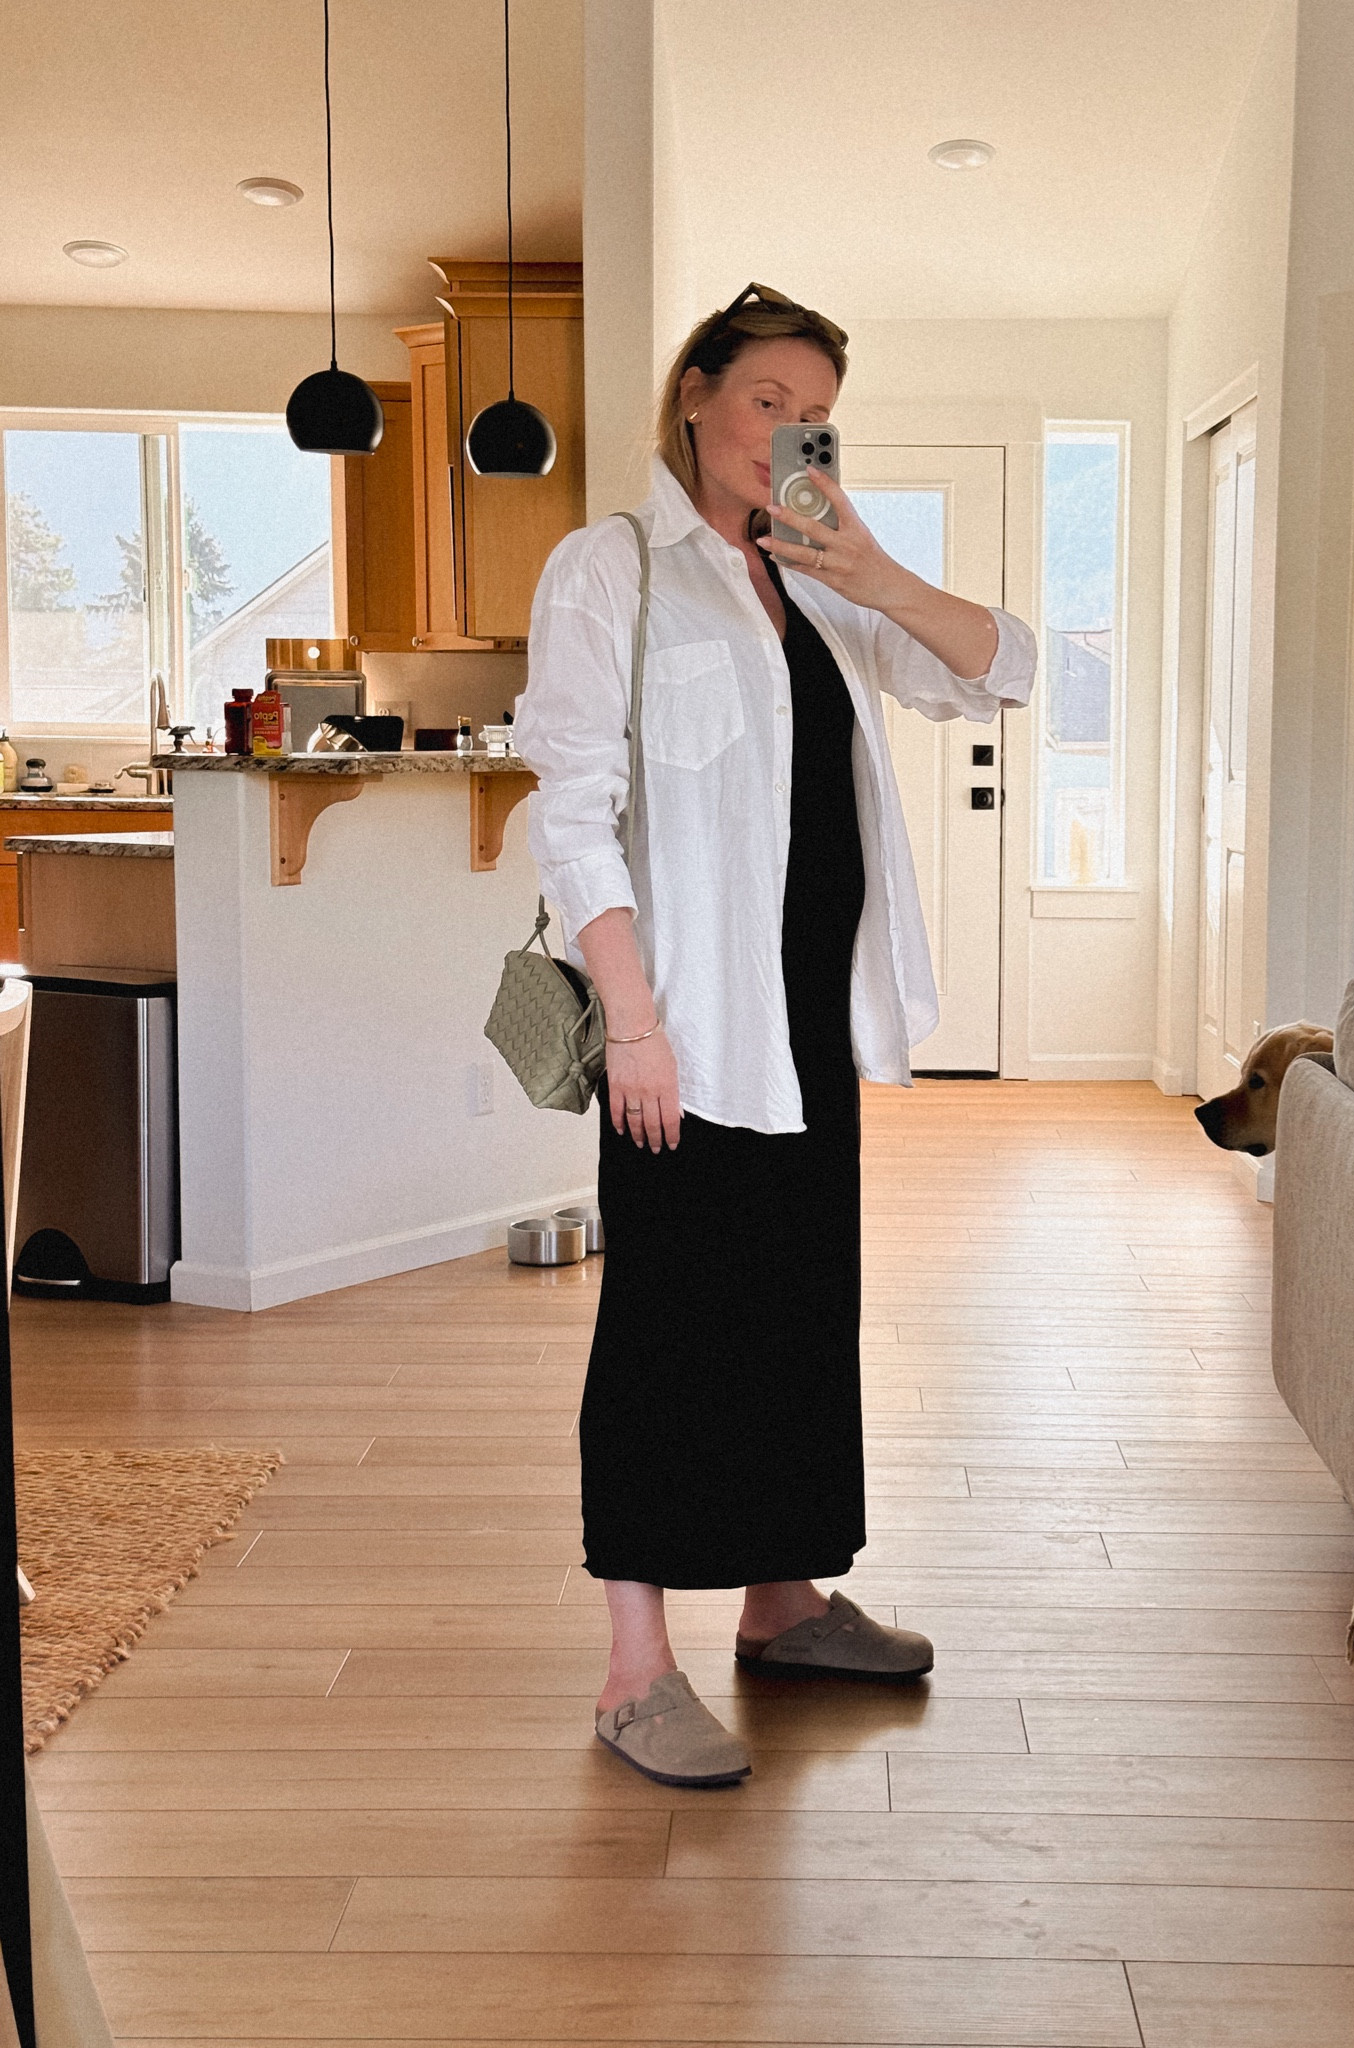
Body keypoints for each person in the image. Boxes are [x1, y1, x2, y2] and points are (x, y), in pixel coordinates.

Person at [513, 282, 1037, 1789]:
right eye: (767, 398)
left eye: (817, 411)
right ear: (695, 395)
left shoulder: (820, 581)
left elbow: (993, 667)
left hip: (809, 1017)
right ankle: (634, 1670)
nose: (793, 427)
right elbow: (572, 808)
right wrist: (633, 1023)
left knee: (800, 1308)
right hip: (680, 1024)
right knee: (669, 1326)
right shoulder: (610, 567)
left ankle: (783, 1602)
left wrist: (868, 560)